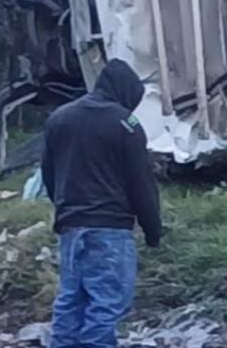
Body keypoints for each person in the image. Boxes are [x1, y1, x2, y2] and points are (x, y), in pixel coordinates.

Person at [42, 58, 163, 348]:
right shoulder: (126, 124)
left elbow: (49, 173)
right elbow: (141, 184)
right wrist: (152, 229)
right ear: (126, 93)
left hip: (70, 227)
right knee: (107, 303)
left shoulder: (59, 117)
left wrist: (64, 207)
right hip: (110, 229)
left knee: (71, 300)